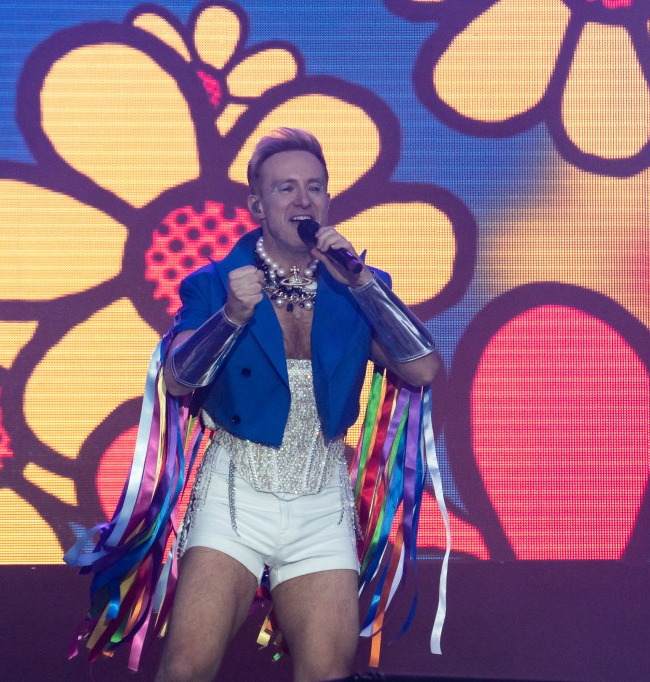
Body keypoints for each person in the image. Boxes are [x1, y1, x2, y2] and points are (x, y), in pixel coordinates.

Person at [156, 127, 441, 682]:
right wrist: (232, 317)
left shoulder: (359, 286)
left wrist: (360, 284)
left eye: (315, 187)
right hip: (236, 494)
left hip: (321, 500)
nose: (303, 200)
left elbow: (424, 369)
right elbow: (176, 381)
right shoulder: (213, 283)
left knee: (327, 673)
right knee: (186, 668)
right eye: (286, 188)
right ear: (257, 205)